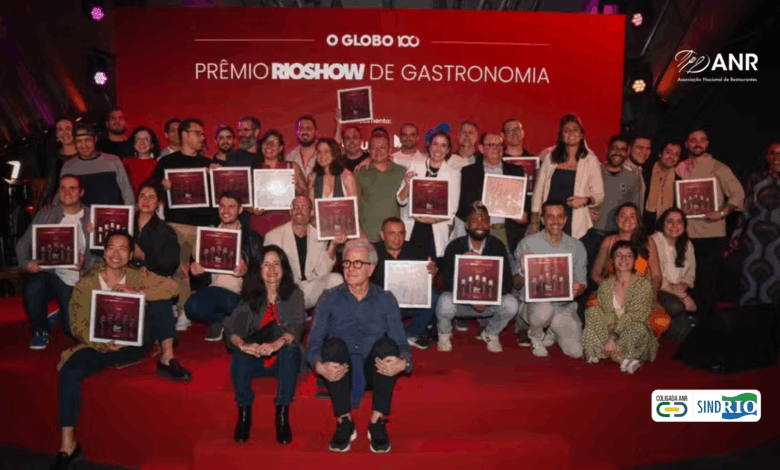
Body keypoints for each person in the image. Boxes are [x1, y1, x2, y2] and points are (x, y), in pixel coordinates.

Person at [53, 230, 191, 470]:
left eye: (123, 249)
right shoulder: (86, 284)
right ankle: (68, 445)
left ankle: (167, 358)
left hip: (133, 344)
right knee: (69, 371)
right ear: (104, 252)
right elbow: (76, 325)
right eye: (111, 248)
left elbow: (172, 288)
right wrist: (102, 343)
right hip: (99, 347)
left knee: (159, 302)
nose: (116, 254)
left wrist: (139, 293)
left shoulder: (138, 276)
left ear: (130, 255)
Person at [307, 238, 411, 453]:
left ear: (371, 268)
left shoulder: (386, 299)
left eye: (357, 263)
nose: (350, 269)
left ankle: (377, 421)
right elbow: (314, 342)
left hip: (374, 370)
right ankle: (344, 420)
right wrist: (319, 366)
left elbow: (401, 342)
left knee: (388, 347)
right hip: (340, 370)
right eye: (346, 263)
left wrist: (404, 363)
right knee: (332, 346)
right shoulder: (328, 298)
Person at [224, 246, 305, 444]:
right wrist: (242, 345)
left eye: (276, 264)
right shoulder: (250, 297)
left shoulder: (295, 295)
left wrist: (277, 344)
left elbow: (297, 328)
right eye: (266, 264)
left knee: (290, 348)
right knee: (239, 354)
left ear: (284, 268)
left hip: (283, 359)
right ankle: (244, 413)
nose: (271, 269)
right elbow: (230, 329)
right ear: (259, 270)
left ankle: (282, 414)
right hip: (257, 357)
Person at [16, 175, 95, 349]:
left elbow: (107, 252)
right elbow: (23, 243)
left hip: (83, 278)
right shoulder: (46, 214)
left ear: (81, 192)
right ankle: (40, 330)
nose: (67, 193)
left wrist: (85, 263)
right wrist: (26, 263)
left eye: (72, 188)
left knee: (71, 330)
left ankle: (62, 313)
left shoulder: (94, 216)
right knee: (34, 285)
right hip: (54, 275)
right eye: (62, 188)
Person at [676, 127, 744, 315]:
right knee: (687, 280)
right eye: (693, 140)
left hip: (711, 234)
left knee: (708, 282)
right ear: (687, 144)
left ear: (707, 143)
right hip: (685, 234)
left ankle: (708, 322)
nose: (698, 143)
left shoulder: (718, 167)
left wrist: (722, 213)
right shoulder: (680, 167)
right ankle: (689, 318)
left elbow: (738, 194)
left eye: (702, 140)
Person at [437, 202, 519, 353]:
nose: (480, 224)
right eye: (475, 220)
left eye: (484, 220)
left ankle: (490, 333)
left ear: (490, 225)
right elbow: (446, 284)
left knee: (511, 303)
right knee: (444, 301)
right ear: (467, 225)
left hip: (487, 304)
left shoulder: (497, 246)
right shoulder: (455, 246)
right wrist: (462, 266)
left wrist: (485, 299)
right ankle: (444, 334)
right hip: (461, 304)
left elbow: (507, 283)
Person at [185, 192, 262, 341]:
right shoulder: (207, 235)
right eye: (222, 206)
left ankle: (224, 320)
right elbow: (197, 278)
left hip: (239, 295)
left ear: (240, 210)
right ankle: (223, 319)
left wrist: (246, 270)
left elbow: (262, 272)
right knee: (191, 307)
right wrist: (195, 272)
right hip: (213, 290)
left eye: (231, 207)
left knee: (237, 307)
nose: (225, 211)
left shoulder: (252, 237)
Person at [515, 200, 587, 358]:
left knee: (576, 352)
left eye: (560, 216)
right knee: (544, 309)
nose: (555, 221)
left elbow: (582, 282)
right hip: (535, 305)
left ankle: (552, 331)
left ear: (565, 220)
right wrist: (523, 270)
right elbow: (516, 283)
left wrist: (579, 288)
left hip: (563, 306)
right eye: (550, 217)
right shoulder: (527, 243)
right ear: (542, 219)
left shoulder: (577, 246)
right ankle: (535, 336)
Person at [582, 241, 658, 373]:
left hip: (632, 332)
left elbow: (635, 316)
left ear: (635, 260)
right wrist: (611, 335)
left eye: (628, 255)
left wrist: (613, 337)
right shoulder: (605, 285)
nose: (623, 259)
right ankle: (622, 360)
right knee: (592, 311)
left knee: (637, 328)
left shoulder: (644, 285)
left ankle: (603, 349)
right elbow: (606, 316)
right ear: (612, 260)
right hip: (610, 331)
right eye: (619, 255)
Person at [529, 114, 604, 240]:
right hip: (550, 219)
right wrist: (534, 219)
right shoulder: (550, 158)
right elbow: (539, 190)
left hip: (576, 223)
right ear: (561, 135)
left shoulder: (590, 161)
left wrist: (585, 200)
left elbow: (599, 195)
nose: (571, 133)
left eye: (575, 129)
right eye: (566, 130)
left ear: (581, 134)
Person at [264, 195, 344, 310]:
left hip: (310, 288)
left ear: (311, 213)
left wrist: (333, 245)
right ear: (290, 212)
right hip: (284, 290)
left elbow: (322, 272)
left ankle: (324, 316)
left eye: (304, 207)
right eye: (296, 207)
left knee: (336, 279)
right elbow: (267, 272)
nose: (299, 210)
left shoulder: (320, 237)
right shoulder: (273, 236)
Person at [454, 132, 526, 254]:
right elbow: (462, 207)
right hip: (477, 233)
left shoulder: (516, 171)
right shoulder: (468, 173)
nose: (496, 148)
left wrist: (523, 216)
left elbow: (525, 205)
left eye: (499, 145)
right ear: (481, 148)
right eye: (491, 145)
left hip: (506, 233)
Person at [372, 217, 440, 349]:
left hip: (409, 301)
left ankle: (412, 333)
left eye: (401, 233)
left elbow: (426, 284)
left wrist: (432, 273)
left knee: (433, 295)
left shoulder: (416, 250)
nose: (397, 238)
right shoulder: (372, 251)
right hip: (382, 304)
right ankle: (386, 334)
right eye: (392, 233)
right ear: (382, 235)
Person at [396, 130, 461, 261]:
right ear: (429, 146)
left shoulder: (454, 174)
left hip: (436, 233)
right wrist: (408, 184)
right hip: (412, 230)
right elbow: (401, 200)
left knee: (432, 271)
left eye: (443, 145)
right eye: (435, 144)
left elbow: (452, 210)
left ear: (448, 150)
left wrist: (429, 220)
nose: (438, 149)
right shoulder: (415, 166)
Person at [582, 135, 642, 271]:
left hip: (617, 237)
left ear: (627, 153)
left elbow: (635, 209)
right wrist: (584, 211)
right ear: (607, 150)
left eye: (623, 149)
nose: (618, 153)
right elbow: (578, 198)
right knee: (589, 272)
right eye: (614, 148)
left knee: (613, 273)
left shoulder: (632, 178)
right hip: (590, 233)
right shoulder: (593, 172)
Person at [731, 141, 780, 306]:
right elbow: (747, 208)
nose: (776, 157)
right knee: (750, 278)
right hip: (755, 237)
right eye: (773, 153)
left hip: (778, 239)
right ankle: (750, 316)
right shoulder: (756, 178)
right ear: (767, 157)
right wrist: (737, 233)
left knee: (775, 279)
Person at [243, 129, 307, 236]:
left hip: (285, 224)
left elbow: (306, 195)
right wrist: (252, 209)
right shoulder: (253, 169)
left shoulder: (291, 167)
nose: (269, 146)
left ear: (280, 148)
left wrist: (295, 187)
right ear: (261, 146)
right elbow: (243, 200)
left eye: (274, 143)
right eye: (266, 142)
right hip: (259, 225)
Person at [591, 203, 662, 295]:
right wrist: (611, 288)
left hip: (640, 294)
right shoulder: (608, 241)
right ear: (617, 219)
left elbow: (656, 275)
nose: (627, 220)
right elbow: (595, 274)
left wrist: (651, 294)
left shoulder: (648, 242)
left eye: (632, 216)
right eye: (623, 216)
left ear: (638, 220)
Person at [61, 123, 135, 207]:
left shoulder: (113, 161)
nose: (83, 145)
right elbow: (61, 194)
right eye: (79, 141)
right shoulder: (69, 166)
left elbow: (126, 192)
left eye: (87, 140)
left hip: (111, 213)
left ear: (95, 139)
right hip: (81, 215)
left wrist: (131, 212)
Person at [651, 208, 696, 340]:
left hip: (677, 290)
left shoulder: (687, 244)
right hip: (655, 289)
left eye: (679, 222)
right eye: (669, 221)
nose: (674, 226)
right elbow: (652, 276)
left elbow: (690, 274)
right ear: (662, 224)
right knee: (676, 306)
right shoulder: (653, 241)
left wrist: (683, 286)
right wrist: (682, 295)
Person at [355, 134, 406, 243]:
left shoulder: (402, 172)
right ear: (368, 150)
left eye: (382, 147)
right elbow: (354, 204)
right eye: (374, 148)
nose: (378, 151)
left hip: (394, 238)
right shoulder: (359, 173)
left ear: (389, 149)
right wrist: (358, 231)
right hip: (367, 236)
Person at [131, 180, 181, 278]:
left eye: (151, 197)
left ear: (158, 203)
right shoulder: (126, 223)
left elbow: (171, 265)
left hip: (153, 277)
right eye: (142, 196)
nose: (146, 200)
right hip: (127, 273)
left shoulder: (166, 231)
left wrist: (143, 256)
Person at [644, 140, 683, 232]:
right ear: (660, 154)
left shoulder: (678, 181)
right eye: (668, 152)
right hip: (643, 226)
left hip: (666, 228)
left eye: (676, 154)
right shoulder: (645, 173)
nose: (672, 157)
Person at [41, 118, 78, 207]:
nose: (64, 133)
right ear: (56, 134)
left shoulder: (84, 155)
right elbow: (49, 185)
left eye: (68, 129)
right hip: (58, 205)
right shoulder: (52, 159)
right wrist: (46, 204)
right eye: (60, 130)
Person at [122, 126, 161, 193]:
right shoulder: (125, 163)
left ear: (152, 144)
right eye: (138, 139)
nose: (142, 142)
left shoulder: (158, 164)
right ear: (134, 144)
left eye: (146, 139)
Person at [624, 133, 652, 210]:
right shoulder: (618, 169)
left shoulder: (643, 172)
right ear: (629, 148)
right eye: (640, 147)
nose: (644, 152)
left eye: (648, 148)